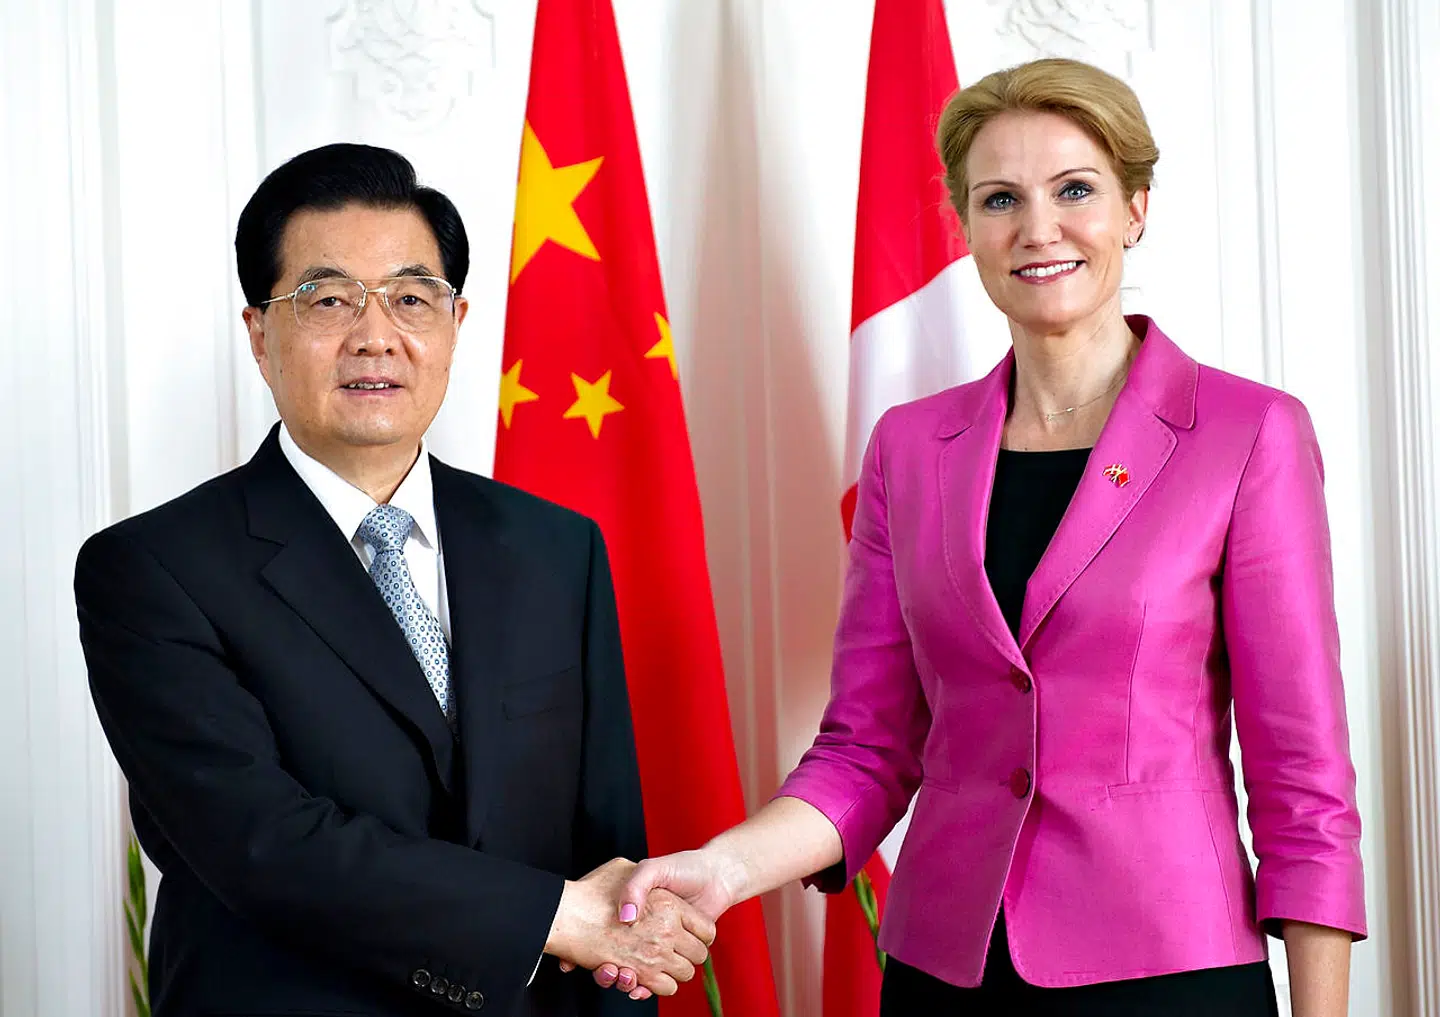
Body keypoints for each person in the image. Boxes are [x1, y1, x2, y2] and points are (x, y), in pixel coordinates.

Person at [602, 58, 1366, 1015]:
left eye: (1074, 190)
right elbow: (866, 748)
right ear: (966, 227)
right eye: (1001, 198)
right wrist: (722, 868)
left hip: (1170, 966)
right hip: (946, 969)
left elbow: (1304, 779)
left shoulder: (1249, 435)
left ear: (1135, 208)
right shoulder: (909, 448)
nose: (1038, 229)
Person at [76, 143, 711, 1017]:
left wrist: (616, 941)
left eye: (412, 298)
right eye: (328, 298)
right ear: (259, 333)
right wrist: (553, 916)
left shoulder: (555, 547)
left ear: (455, 322)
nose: (375, 335)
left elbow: (609, 856)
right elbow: (263, 845)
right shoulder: (154, 567)